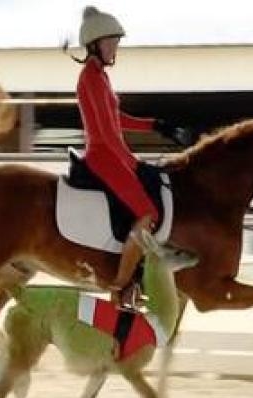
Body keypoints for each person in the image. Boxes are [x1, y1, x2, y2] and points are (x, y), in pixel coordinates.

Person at [71, 6, 189, 294]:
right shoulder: (90, 77)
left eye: (116, 43)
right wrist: (133, 163)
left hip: (113, 154)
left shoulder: (101, 77)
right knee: (147, 213)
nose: (115, 48)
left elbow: (118, 120)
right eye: (110, 43)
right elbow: (106, 133)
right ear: (94, 45)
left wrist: (156, 126)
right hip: (103, 157)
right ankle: (121, 285)